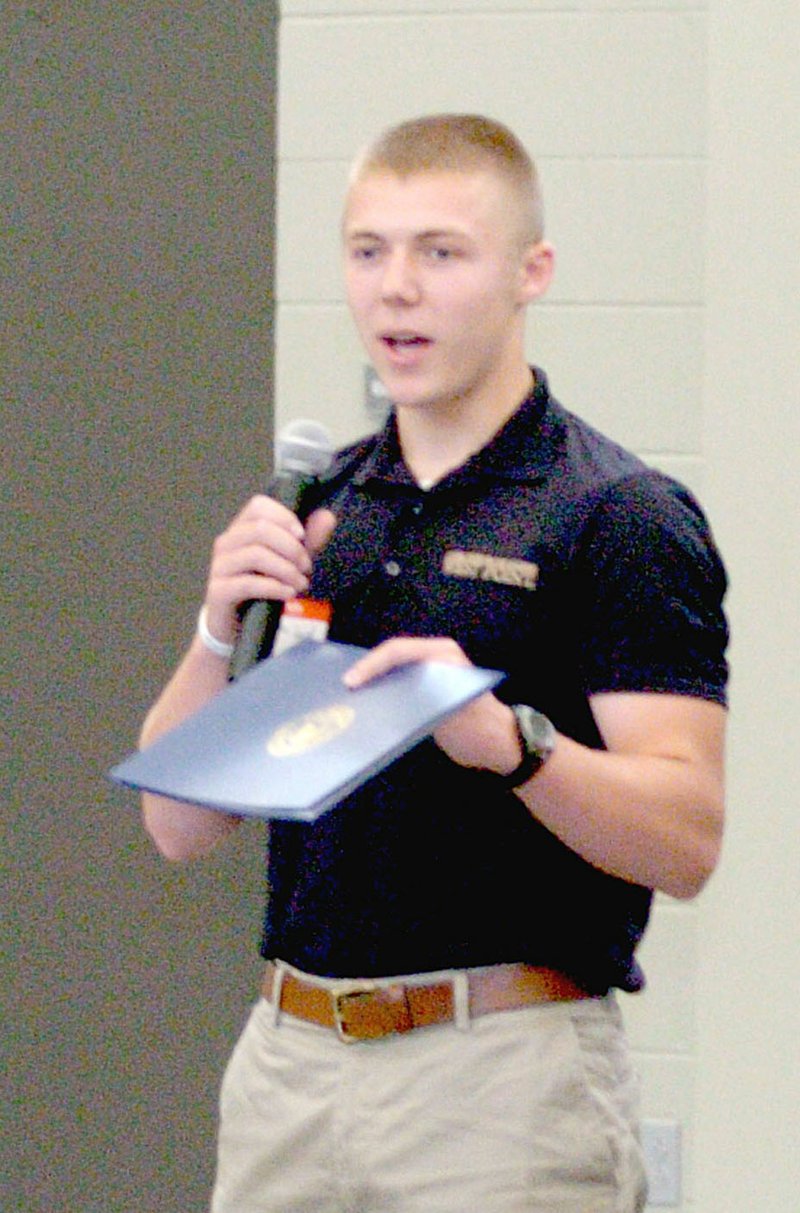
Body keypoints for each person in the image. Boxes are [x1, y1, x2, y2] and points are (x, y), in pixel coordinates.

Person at [139, 114, 728, 1213]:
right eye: (368, 252)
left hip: (496, 1078)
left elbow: (685, 839)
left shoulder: (613, 514)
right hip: (290, 1065)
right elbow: (177, 827)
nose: (395, 289)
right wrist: (218, 630)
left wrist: (507, 742)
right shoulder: (319, 503)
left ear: (527, 273)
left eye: (439, 252)